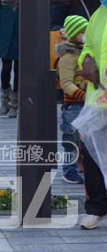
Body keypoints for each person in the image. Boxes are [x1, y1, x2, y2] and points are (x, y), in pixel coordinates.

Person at [77, 0, 107, 230]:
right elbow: (88, 46)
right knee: (92, 152)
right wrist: (86, 61)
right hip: (98, 99)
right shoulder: (99, 15)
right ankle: (96, 207)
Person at [56, 15, 87, 185]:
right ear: (75, 33)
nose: (86, 34)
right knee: (71, 140)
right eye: (83, 31)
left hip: (88, 102)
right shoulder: (68, 57)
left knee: (86, 139)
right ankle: (69, 171)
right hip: (74, 105)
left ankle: (83, 167)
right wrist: (80, 94)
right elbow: (66, 82)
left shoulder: (86, 51)